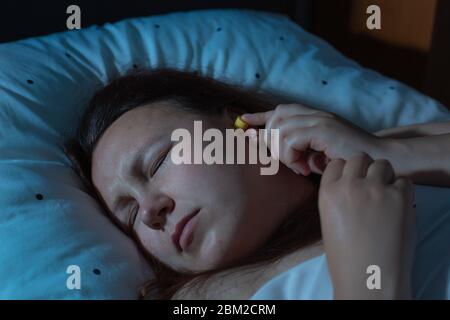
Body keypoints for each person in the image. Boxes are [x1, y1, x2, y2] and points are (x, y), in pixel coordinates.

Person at [64, 68, 450, 299]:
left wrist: (392, 154)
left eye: (159, 161)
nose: (150, 212)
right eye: (129, 215)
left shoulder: (385, 146)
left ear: (240, 127)